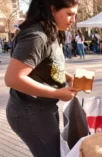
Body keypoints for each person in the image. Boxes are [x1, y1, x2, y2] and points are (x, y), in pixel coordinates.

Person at [4, 0, 78, 156]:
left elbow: (43, 64)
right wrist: (57, 93)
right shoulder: (36, 36)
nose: (73, 20)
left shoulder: (52, 30)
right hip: (29, 112)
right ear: (52, 10)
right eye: (69, 14)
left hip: (44, 109)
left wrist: (66, 76)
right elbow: (13, 78)